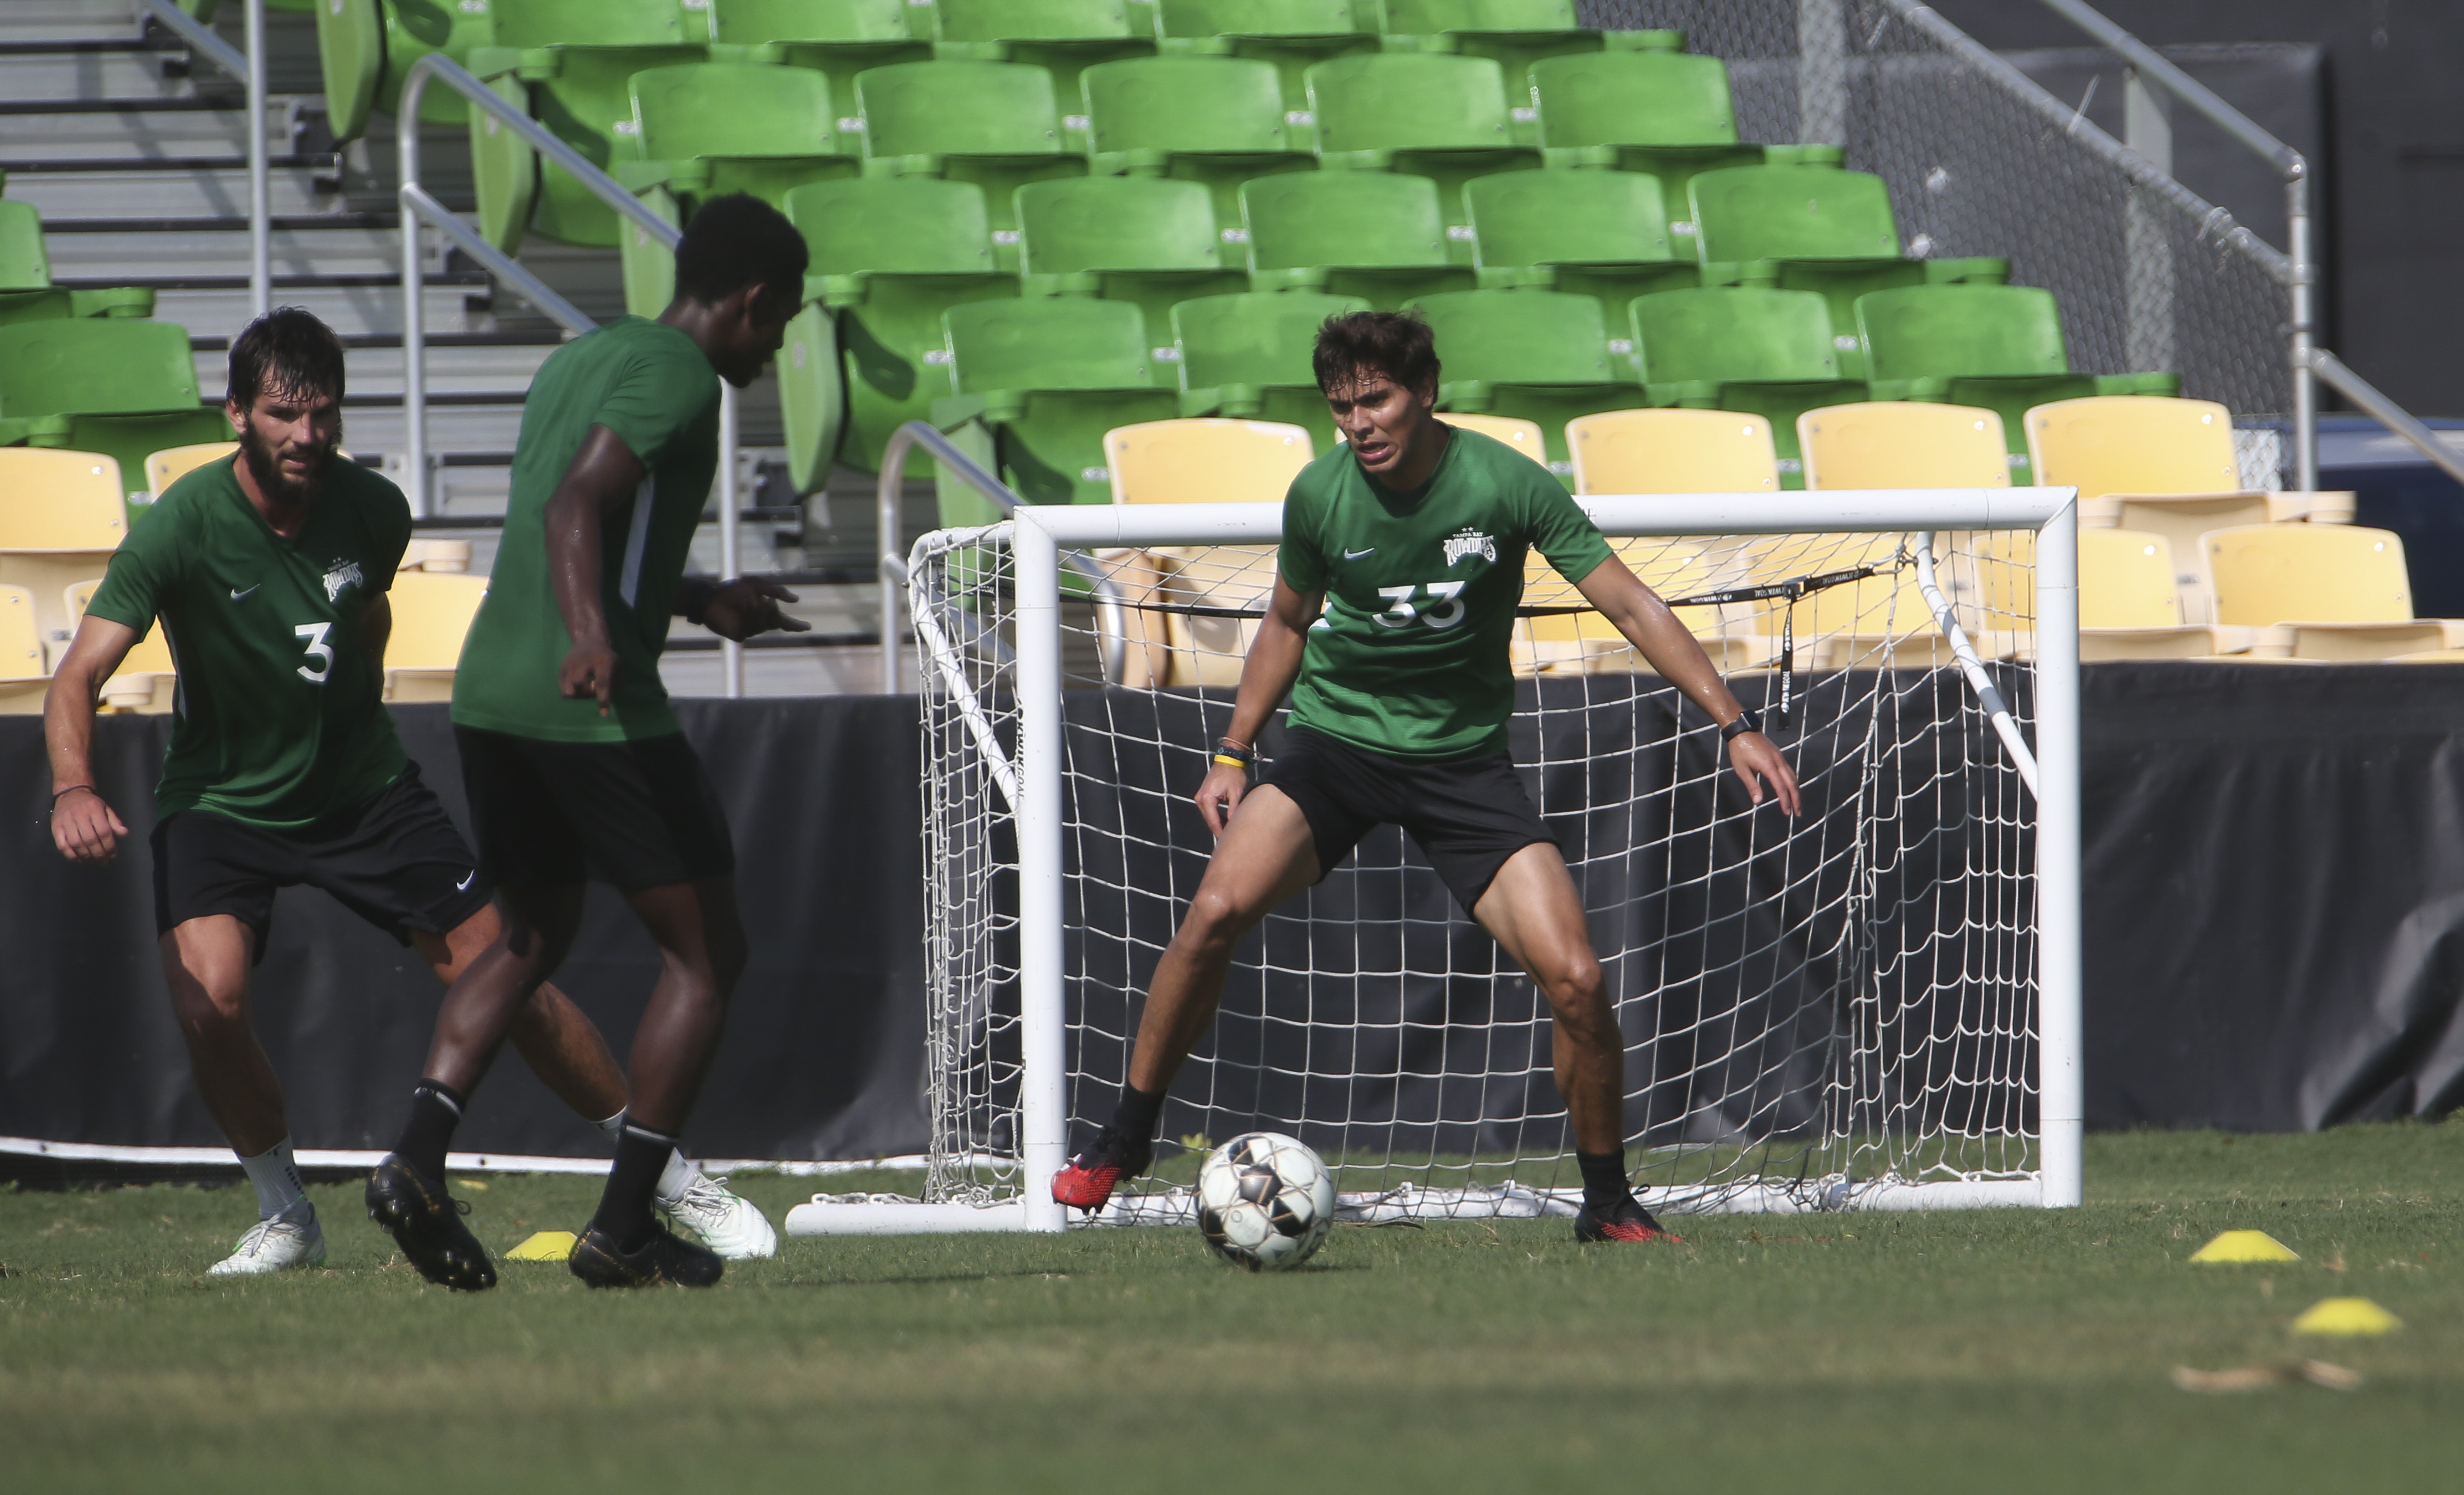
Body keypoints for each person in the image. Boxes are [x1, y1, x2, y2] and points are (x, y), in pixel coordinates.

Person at [45, 307, 773, 1278]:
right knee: (209, 1002)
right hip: (219, 802)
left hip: (366, 792)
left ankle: (669, 1180)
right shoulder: (179, 527)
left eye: (323, 415)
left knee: (511, 977)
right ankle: (285, 1215)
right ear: (235, 417)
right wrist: (72, 786)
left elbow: (370, 619)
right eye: (281, 415)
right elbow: (76, 675)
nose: (307, 436)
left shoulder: (376, 511)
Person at [1051, 312, 1804, 1243]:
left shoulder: (1504, 483)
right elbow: (1286, 623)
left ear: (1425, 393)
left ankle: (1606, 1203)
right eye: (1342, 406)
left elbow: (1628, 601)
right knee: (1212, 914)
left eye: (1376, 398)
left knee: (1574, 979)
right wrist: (1232, 752)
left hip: (1461, 767)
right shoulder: (1321, 496)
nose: (1359, 422)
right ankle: (1121, 1139)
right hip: (1335, 751)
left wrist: (1732, 723)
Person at [368, 194, 811, 1290]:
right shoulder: (678, 375)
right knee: (709, 955)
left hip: (491, 693)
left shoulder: (582, 360)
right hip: (587, 700)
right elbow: (576, 510)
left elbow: (585, 530)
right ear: (752, 301)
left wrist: (700, 597)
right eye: (784, 320)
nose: (781, 343)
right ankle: (621, 1228)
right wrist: (592, 642)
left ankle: (414, 1163)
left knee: (526, 937)